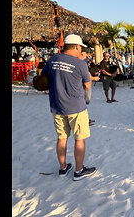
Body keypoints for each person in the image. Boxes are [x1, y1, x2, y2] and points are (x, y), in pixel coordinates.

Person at [41, 34, 96, 181]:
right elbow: (88, 85)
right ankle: (79, 171)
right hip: (76, 108)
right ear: (77, 47)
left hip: (57, 106)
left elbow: (43, 79)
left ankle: (63, 168)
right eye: (81, 48)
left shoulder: (52, 60)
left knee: (62, 138)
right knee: (80, 139)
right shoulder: (80, 64)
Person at [79, 46, 100, 125]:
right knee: (83, 103)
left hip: (85, 84)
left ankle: (86, 118)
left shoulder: (84, 60)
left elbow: (87, 72)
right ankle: (85, 120)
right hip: (83, 86)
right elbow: (85, 75)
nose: (86, 56)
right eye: (85, 54)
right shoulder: (80, 62)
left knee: (84, 103)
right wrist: (94, 78)